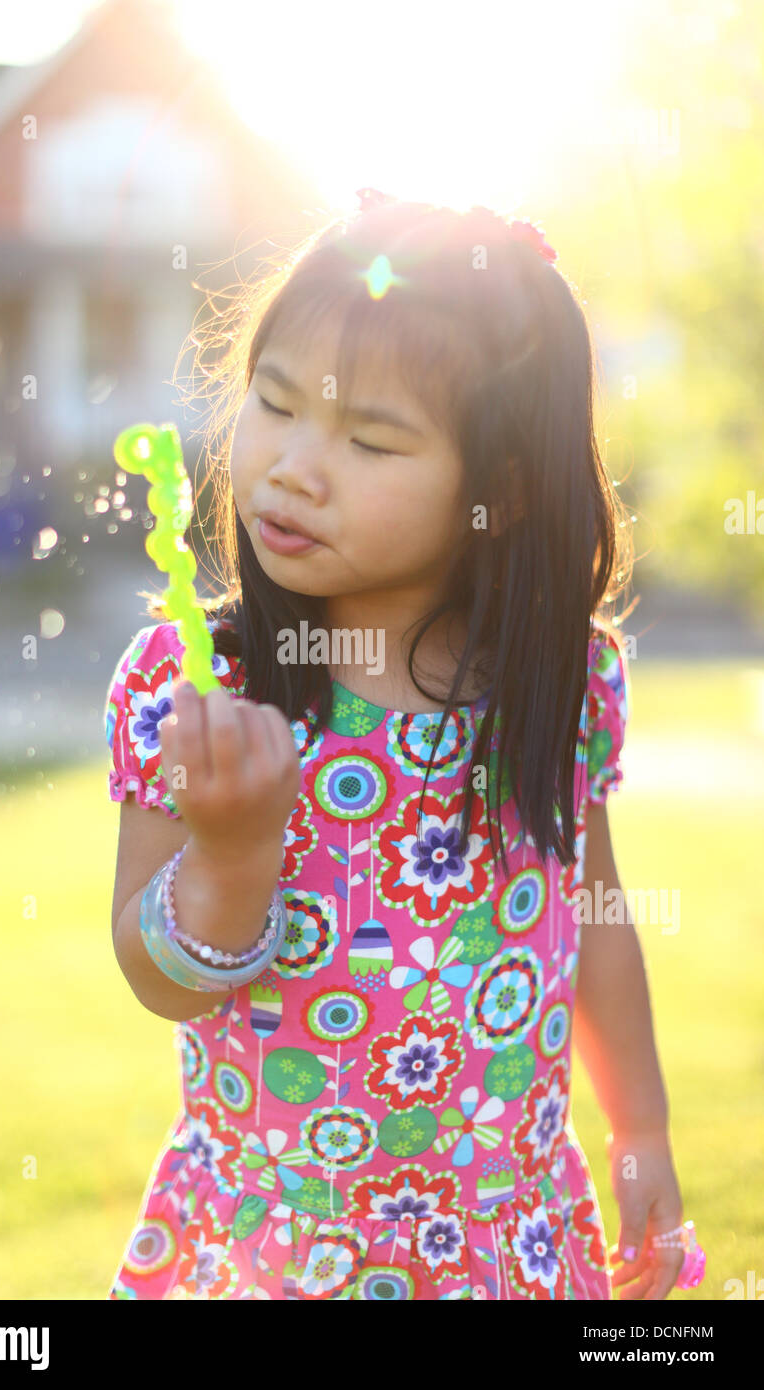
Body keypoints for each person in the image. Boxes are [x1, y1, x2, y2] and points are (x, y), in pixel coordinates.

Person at [102, 193, 693, 1300]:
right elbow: (156, 980)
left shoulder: (553, 684)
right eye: (271, 407)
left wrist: (640, 1131)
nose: (289, 468)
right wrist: (231, 858)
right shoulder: (199, 687)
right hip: (280, 1244)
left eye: (369, 439)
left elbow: (595, 923)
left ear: (500, 490)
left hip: (498, 1235)